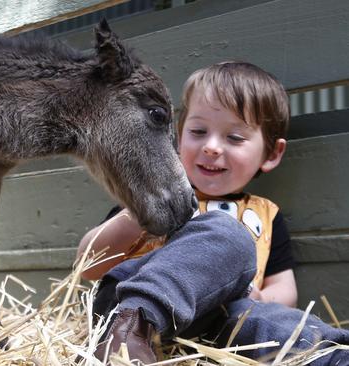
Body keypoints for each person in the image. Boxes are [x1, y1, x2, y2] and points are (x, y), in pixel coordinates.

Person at [76, 61, 349, 364]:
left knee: (279, 324)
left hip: (220, 324)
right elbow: (87, 267)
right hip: (131, 310)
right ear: (178, 136)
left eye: (234, 138)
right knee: (228, 233)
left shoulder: (265, 214)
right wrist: (138, 216)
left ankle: (333, 357)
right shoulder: (155, 199)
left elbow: (284, 290)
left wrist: (258, 298)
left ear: (271, 154)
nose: (212, 147)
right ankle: (127, 336)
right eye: (198, 131)